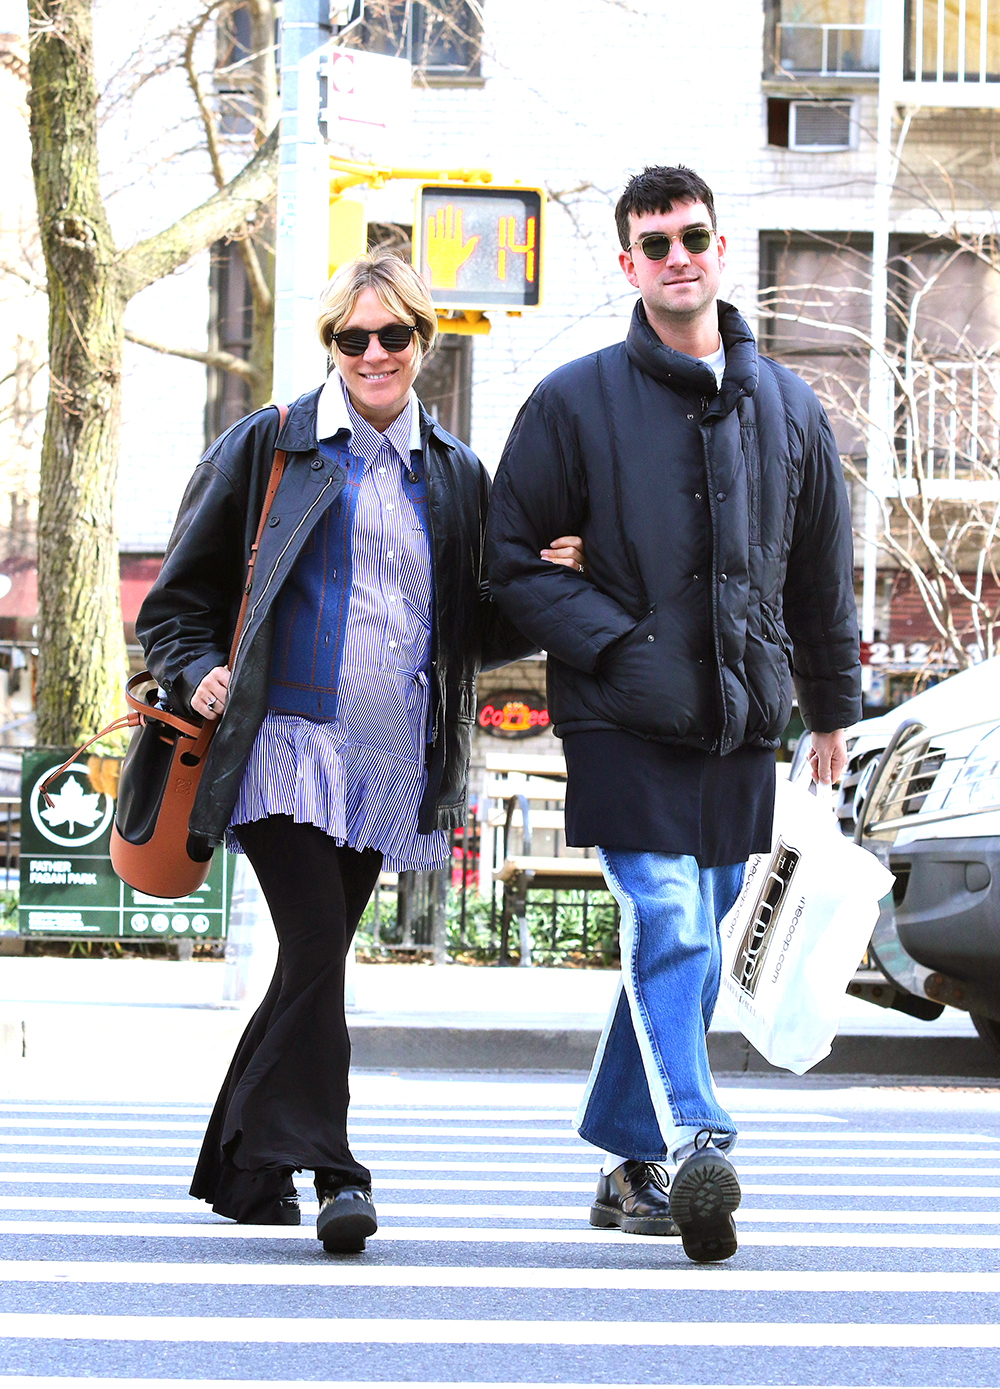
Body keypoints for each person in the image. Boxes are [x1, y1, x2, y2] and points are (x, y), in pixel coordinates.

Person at [136, 249, 583, 1252]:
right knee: (313, 954)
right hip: (281, 745)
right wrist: (196, 668)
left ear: (423, 341)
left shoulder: (456, 474)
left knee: (315, 963)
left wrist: (552, 587)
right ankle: (338, 1173)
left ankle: (243, 1166)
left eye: (392, 334)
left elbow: (471, 628)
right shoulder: (275, 446)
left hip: (387, 759)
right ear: (331, 345)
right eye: (352, 337)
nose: (372, 353)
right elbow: (179, 600)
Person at [485, 166, 860, 1264]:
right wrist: (614, 635)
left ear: (720, 245)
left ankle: (624, 1156)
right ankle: (701, 1136)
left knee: (685, 943)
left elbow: (818, 581)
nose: (678, 255)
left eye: (693, 235)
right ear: (628, 266)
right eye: (655, 244)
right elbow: (509, 566)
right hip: (618, 715)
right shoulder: (571, 401)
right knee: (669, 921)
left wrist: (828, 714)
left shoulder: (790, 408)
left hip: (741, 723)